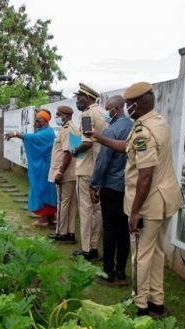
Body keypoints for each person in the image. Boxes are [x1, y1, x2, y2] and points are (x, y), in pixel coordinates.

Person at [84, 82, 182, 318]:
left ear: (135, 105)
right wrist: (98, 137)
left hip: (148, 204)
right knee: (156, 253)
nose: (127, 108)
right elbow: (126, 148)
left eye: (129, 104)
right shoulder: (157, 122)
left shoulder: (143, 132)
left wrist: (135, 211)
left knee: (141, 255)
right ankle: (156, 302)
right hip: (165, 201)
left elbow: (145, 176)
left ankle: (140, 304)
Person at [90, 95, 132, 286]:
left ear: (116, 109)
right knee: (124, 230)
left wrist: (94, 184)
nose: (106, 113)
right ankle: (121, 270)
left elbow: (104, 160)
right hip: (128, 187)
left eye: (108, 109)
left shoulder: (111, 130)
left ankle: (109, 270)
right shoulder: (133, 127)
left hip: (111, 186)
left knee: (110, 230)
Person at [71, 83, 108, 261]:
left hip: (86, 168)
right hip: (100, 168)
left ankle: (87, 249)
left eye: (80, 97)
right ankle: (92, 246)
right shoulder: (102, 112)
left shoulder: (87, 114)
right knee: (97, 209)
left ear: (88, 98)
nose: (77, 100)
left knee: (86, 209)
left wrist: (74, 151)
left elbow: (87, 142)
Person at [5, 109, 57, 226]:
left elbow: (33, 139)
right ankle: (51, 216)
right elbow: (34, 137)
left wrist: (15, 134)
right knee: (47, 189)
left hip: (43, 166)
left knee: (41, 189)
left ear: (45, 121)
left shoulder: (47, 133)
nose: (35, 122)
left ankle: (44, 219)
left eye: (38, 120)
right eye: (36, 119)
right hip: (44, 165)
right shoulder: (45, 131)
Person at [48, 105, 77, 243]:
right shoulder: (73, 128)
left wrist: (60, 172)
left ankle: (60, 232)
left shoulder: (67, 130)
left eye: (59, 114)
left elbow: (68, 153)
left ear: (66, 115)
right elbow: (75, 152)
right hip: (72, 172)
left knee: (62, 203)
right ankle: (70, 232)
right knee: (71, 203)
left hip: (64, 173)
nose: (57, 117)